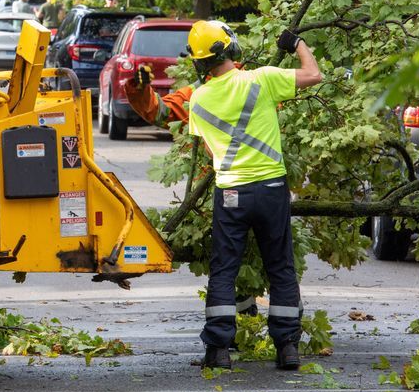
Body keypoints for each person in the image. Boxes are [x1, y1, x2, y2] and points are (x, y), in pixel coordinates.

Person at [126, 21, 322, 371]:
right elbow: (313, 74)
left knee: (223, 270)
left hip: (230, 190)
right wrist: (297, 44)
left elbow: (189, 130)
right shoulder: (262, 79)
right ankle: (288, 347)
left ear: (199, 62)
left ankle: (217, 350)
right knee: (280, 267)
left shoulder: (198, 98)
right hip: (272, 188)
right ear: (231, 47)